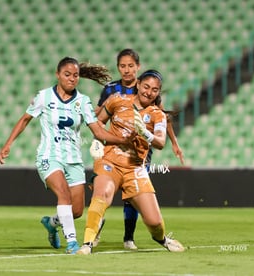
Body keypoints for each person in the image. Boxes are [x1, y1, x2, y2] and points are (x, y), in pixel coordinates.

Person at [0, 57, 131, 254]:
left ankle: (52, 223)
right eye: (67, 74)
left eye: (75, 75)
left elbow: (99, 132)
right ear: (57, 74)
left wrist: (122, 140)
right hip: (49, 156)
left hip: (74, 160)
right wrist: (7, 144)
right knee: (63, 195)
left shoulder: (83, 101)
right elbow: (25, 119)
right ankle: (72, 243)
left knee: (76, 210)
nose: (72, 79)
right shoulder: (44, 97)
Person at [77, 69, 185, 255]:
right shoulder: (116, 100)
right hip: (109, 161)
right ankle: (87, 243)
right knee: (102, 195)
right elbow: (99, 123)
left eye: (154, 89)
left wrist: (145, 133)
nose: (149, 92)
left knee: (154, 222)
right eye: (146, 86)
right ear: (138, 84)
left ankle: (162, 239)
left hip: (135, 168)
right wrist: (97, 141)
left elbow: (159, 142)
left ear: (158, 92)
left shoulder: (157, 115)